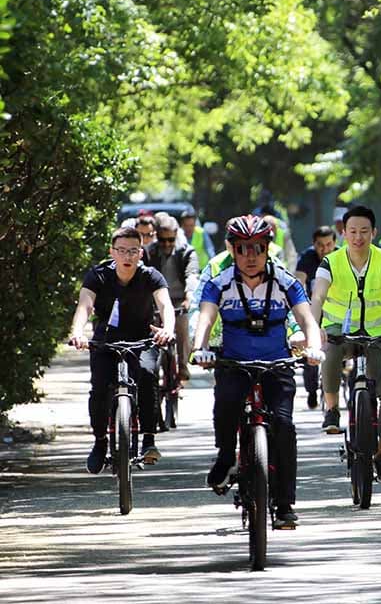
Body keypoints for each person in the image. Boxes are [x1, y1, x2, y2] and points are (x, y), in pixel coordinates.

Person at [191, 215, 323, 529]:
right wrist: (199, 348)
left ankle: (284, 504)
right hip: (234, 364)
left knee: (284, 425)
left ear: (267, 249)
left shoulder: (285, 280)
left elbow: (307, 320)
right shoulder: (219, 283)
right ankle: (225, 457)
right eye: (243, 249)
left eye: (258, 249)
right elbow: (206, 319)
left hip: (277, 365)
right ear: (233, 251)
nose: (251, 256)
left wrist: (314, 347)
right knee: (226, 403)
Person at [309, 205, 381, 481]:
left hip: (379, 335)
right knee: (330, 356)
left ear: (374, 233)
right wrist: (313, 328)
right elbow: (318, 297)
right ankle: (331, 409)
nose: (358, 237)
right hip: (339, 333)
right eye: (352, 231)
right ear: (343, 233)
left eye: (364, 231)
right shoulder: (330, 262)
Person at [69, 226, 176, 472]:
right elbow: (84, 307)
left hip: (142, 340)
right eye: (122, 251)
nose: (127, 256)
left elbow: (165, 305)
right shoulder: (98, 275)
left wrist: (167, 328)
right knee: (98, 388)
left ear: (141, 253)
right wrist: (77, 333)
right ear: (112, 252)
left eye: (133, 251)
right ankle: (99, 441)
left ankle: (148, 439)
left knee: (148, 376)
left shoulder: (151, 276)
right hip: (106, 340)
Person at [146, 214, 199, 381]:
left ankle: (182, 366)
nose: (167, 244)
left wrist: (189, 295)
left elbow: (192, 275)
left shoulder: (186, 252)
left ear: (176, 235)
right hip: (156, 302)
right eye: (162, 240)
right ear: (156, 236)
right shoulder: (149, 252)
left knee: (182, 327)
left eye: (170, 240)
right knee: (150, 330)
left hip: (178, 300)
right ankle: (151, 368)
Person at [294, 226, 338, 409]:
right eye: (320, 245)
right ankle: (312, 390)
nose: (325, 249)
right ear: (314, 244)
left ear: (335, 244)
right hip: (315, 308)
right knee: (311, 348)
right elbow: (298, 282)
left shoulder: (342, 257)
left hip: (338, 309)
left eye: (329, 244)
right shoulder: (307, 258)